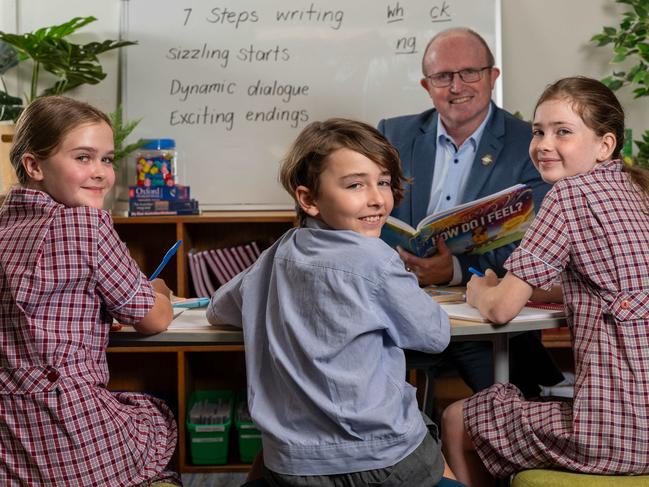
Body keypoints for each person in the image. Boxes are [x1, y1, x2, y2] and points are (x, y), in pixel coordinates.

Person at [207, 118, 461, 486]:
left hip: (292, 467)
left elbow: (218, 309)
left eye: (384, 182)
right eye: (356, 184)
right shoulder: (375, 258)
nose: (377, 198)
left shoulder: (275, 255)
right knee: (421, 422)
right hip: (378, 463)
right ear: (308, 199)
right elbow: (434, 336)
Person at [442, 76, 649, 487]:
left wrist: (482, 289)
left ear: (605, 145)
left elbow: (500, 309)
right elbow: (606, 283)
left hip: (616, 436)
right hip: (640, 422)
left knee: (455, 417)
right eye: (538, 131)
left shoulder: (569, 196)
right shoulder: (636, 191)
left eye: (563, 132)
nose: (544, 144)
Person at [0, 96, 180, 486]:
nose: (100, 172)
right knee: (157, 417)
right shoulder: (86, 224)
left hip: (10, 439)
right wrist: (159, 290)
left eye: (107, 159)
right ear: (34, 166)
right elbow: (153, 319)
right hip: (70, 432)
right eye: (83, 157)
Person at [378, 27, 562, 397]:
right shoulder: (392, 135)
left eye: (469, 73)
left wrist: (455, 270)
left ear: (493, 77)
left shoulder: (531, 142)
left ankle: (507, 421)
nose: (456, 86)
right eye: (443, 76)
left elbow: (536, 242)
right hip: (396, 294)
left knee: (493, 380)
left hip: (479, 300)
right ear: (426, 85)